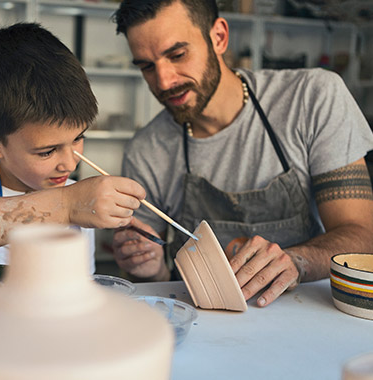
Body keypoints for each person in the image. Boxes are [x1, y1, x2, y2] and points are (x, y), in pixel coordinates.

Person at [111, 0, 373, 307]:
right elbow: (152, 284)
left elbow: (362, 237)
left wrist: (296, 261)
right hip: (206, 325)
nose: (164, 81)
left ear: (219, 37)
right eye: (146, 66)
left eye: (178, 55)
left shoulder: (312, 98)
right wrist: (150, 269)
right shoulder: (146, 151)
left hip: (307, 315)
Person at [0, 23, 145, 273]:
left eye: (78, 138)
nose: (71, 164)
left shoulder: (81, 199)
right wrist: (67, 206)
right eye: (47, 151)